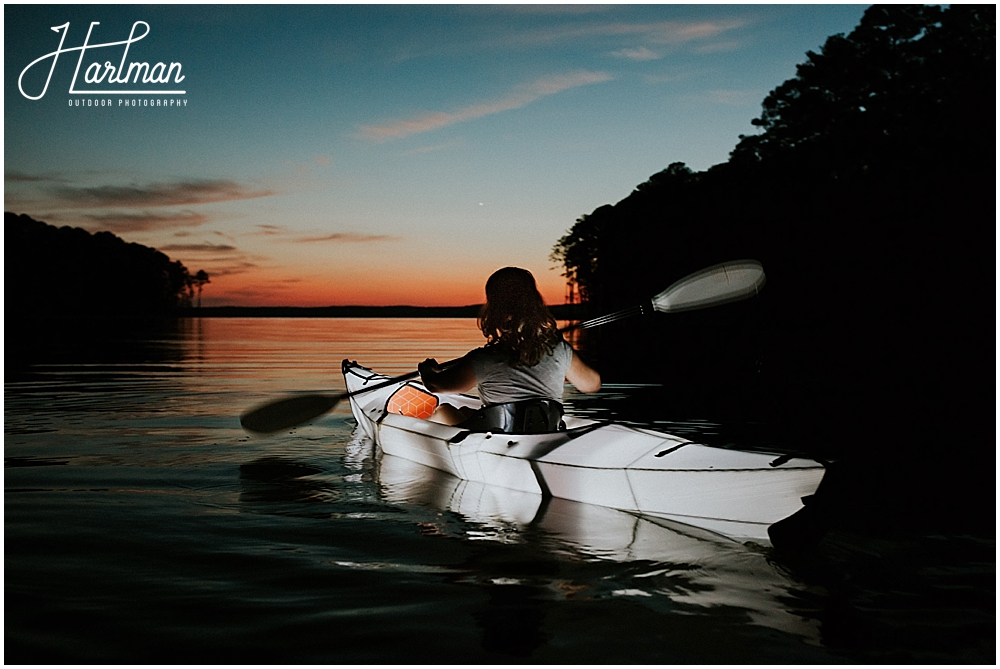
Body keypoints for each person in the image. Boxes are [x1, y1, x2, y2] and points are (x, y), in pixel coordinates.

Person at [417, 266, 600, 433]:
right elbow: (592, 385)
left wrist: (427, 370)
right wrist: (561, 364)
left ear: (494, 310)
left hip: (500, 438)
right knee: (465, 410)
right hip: (547, 433)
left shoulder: (483, 359)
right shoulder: (559, 349)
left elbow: (435, 385)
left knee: (443, 411)